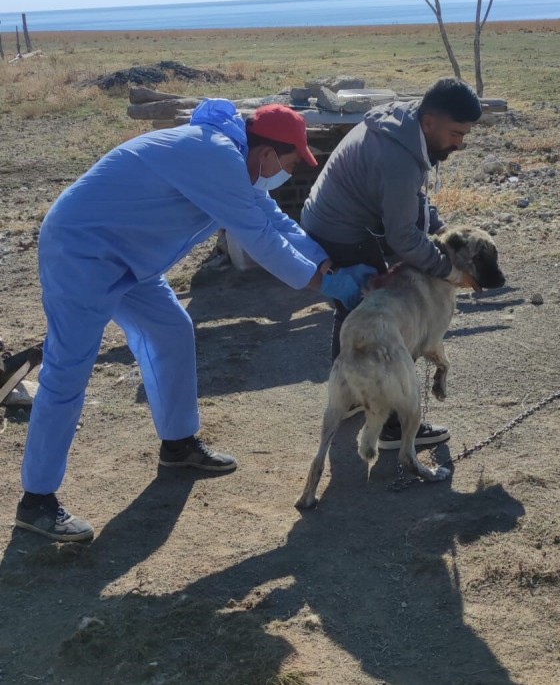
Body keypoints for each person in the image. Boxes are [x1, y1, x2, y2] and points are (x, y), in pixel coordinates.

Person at [15, 99, 375, 542]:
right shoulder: (214, 154)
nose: (286, 171)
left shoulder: (234, 164)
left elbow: (274, 220)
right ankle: (36, 501)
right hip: (82, 251)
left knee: (170, 332)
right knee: (68, 369)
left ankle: (178, 444)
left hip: (130, 259)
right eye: (286, 161)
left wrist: (328, 266)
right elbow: (260, 238)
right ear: (265, 154)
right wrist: (325, 287)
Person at [301, 76, 483, 450]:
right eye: (455, 133)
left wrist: (441, 228)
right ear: (430, 121)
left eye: (465, 135)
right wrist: (450, 272)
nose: (459, 143)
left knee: (355, 310)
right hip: (343, 230)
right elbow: (402, 238)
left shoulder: (403, 124)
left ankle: (352, 396)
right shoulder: (401, 157)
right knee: (391, 321)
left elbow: (411, 199)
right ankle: (392, 427)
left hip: (325, 216)